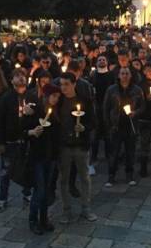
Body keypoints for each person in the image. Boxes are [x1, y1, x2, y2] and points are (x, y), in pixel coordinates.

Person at [57, 72, 97, 223]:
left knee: (84, 177)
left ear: (74, 84)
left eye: (66, 84)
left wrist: (84, 128)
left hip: (80, 145)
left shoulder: (84, 100)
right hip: (64, 146)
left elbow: (93, 121)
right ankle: (66, 210)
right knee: (64, 179)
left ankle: (86, 209)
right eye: (61, 84)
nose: (63, 87)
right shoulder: (59, 101)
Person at [0, 73, 35, 211]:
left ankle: (27, 194)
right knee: (6, 170)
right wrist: (0, 142)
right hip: (10, 140)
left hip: (26, 139)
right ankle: (2, 197)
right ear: (12, 82)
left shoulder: (31, 96)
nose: (21, 86)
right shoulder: (6, 98)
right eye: (18, 83)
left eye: (23, 82)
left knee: (26, 168)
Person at [27, 84, 61, 235]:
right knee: (39, 190)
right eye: (54, 96)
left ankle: (44, 218)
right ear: (47, 96)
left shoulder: (55, 113)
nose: (56, 99)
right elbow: (23, 130)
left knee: (46, 189)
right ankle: (33, 220)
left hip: (51, 156)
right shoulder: (35, 111)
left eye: (58, 97)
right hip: (38, 156)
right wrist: (32, 132)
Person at [103, 67, 145, 187]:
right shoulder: (112, 90)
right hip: (116, 125)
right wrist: (108, 124)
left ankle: (129, 174)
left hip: (130, 125)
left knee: (130, 152)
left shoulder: (137, 90)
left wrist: (135, 113)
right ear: (119, 75)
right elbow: (106, 108)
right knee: (114, 152)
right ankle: (111, 175)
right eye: (122, 73)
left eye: (127, 73)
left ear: (131, 76)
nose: (125, 75)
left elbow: (143, 106)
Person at [88, 55, 115, 172]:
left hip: (108, 107)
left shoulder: (111, 75)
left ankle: (110, 155)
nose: (102, 61)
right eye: (99, 60)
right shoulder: (93, 75)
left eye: (104, 59)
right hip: (96, 107)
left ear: (107, 62)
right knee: (95, 133)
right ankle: (94, 156)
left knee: (108, 133)